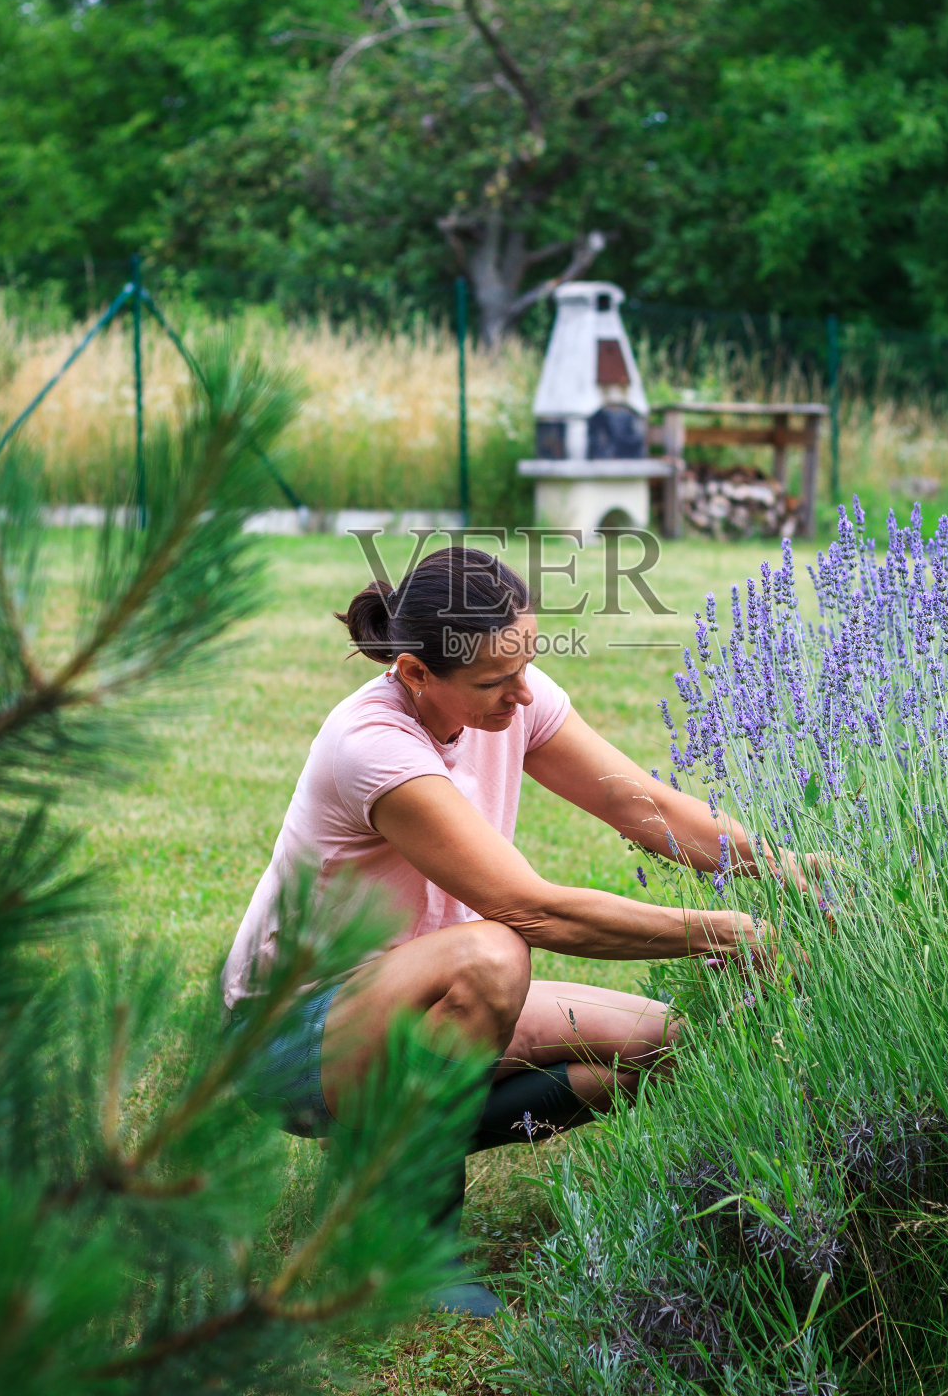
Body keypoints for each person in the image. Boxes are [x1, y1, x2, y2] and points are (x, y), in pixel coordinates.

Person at [222, 546, 805, 1316]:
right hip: (292, 1037)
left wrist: (787, 867)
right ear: (414, 673)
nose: (522, 692)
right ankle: (408, 1253)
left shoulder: (510, 697)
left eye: (526, 663)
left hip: (414, 997)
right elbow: (532, 910)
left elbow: (639, 806)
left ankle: (375, 1153)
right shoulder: (374, 745)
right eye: (496, 680)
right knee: (494, 954)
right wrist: (722, 932)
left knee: (663, 1046)